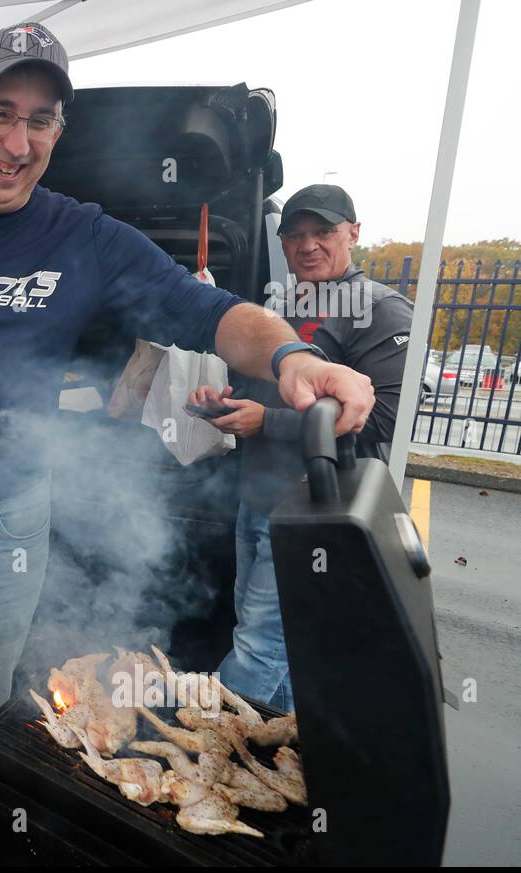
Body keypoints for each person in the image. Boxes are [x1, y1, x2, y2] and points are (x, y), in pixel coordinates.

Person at [0, 20, 376, 867]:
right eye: (0, 111)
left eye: (40, 120)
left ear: (58, 134)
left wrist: (288, 354)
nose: (17, 140)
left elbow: (209, 311)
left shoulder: (86, 238)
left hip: (5, 528)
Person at [191, 184, 410, 710]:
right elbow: (257, 391)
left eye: (323, 232)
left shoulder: (381, 309)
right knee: (275, 639)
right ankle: (287, 755)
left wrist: (268, 423)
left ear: (354, 234)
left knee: (257, 650)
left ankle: (210, 759)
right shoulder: (277, 308)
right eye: (295, 235)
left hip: (316, 509)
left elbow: (384, 417)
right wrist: (222, 402)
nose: (308, 245)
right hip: (259, 500)